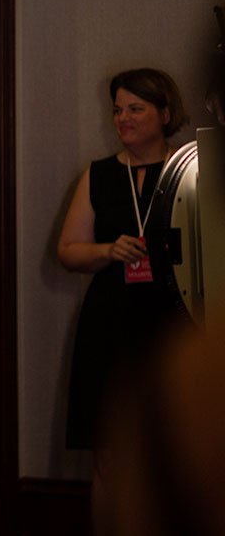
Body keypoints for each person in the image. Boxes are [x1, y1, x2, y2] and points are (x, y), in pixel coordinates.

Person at [57, 68, 189, 533]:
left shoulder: (194, 171)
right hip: (109, 328)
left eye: (136, 108)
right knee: (110, 458)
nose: (123, 118)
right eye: (117, 109)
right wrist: (106, 250)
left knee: (171, 459)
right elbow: (68, 251)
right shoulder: (98, 174)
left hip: (174, 327)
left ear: (165, 113)